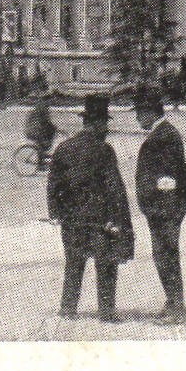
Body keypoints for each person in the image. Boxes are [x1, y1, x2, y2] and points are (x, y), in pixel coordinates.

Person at [46, 94, 134, 321]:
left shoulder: (64, 148)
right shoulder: (104, 151)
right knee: (106, 265)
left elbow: (54, 185)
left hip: (72, 220)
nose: (106, 128)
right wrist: (122, 221)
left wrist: (57, 213)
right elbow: (116, 189)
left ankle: (68, 309)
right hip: (99, 220)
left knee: (74, 264)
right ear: (97, 123)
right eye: (104, 123)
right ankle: (106, 312)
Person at [134, 91, 186, 322]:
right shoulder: (164, 132)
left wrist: (167, 200)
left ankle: (175, 307)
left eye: (140, 113)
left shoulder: (164, 135)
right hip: (163, 207)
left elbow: (171, 174)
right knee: (164, 254)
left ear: (151, 112)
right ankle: (172, 302)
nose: (138, 118)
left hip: (164, 208)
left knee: (165, 254)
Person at [24, 89, 57, 169]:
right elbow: (46, 121)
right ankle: (40, 164)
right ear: (47, 100)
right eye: (50, 100)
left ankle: (42, 155)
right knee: (43, 141)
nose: (52, 102)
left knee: (44, 141)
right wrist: (53, 127)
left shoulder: (41, 106)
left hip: (34, 128)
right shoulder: (43, 108)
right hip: (34, 130)